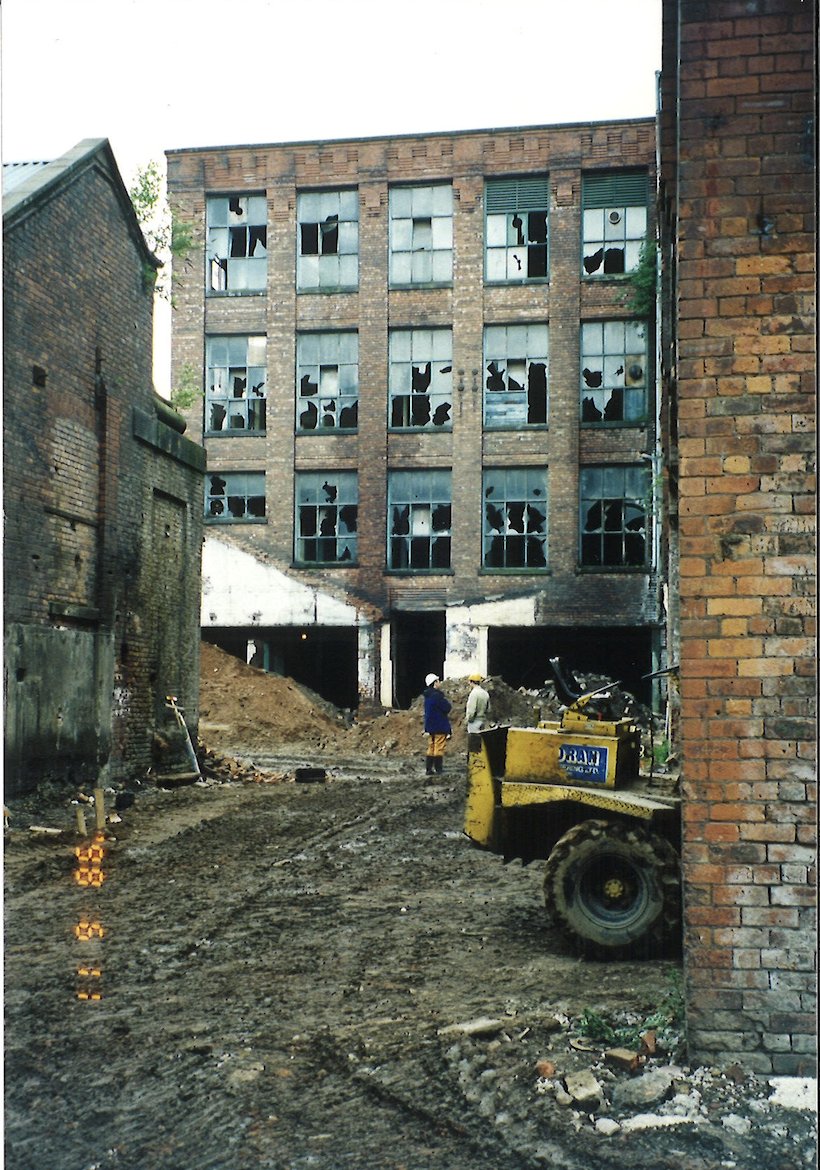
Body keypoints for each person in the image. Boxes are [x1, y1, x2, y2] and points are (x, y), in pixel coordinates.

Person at [423, 673, 451, 776]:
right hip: (439, 725)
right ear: (434, 683)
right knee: (439, 747)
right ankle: (438, 769)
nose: (440, 683)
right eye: (438, 681)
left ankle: (428, 769)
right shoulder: (437, 696)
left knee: (431, 747)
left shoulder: (427, 696)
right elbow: (447, 707)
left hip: (430, 727)